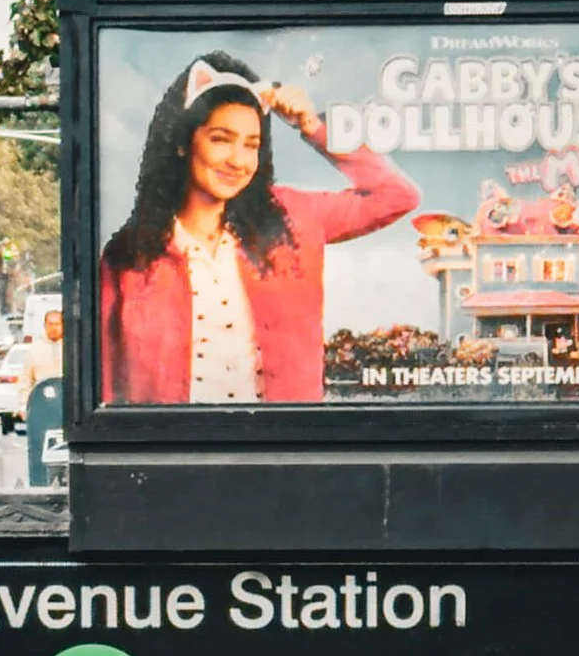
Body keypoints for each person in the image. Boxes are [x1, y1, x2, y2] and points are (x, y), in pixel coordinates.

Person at [99, 52, 418, 404]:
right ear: (182, 142)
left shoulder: (291, 216)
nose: (237, 160)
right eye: (221, 139)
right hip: (178, 453)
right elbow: (109, 384)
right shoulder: (128, 257)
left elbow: (397, 196)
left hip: (281, 449)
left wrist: (312, 126)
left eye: (251, 145)